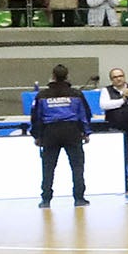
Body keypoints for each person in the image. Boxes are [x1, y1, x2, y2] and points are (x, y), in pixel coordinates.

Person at [29, 62, 90, 206]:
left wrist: (37, 135)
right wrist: (86, 132)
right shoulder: (76, 94)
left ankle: (46, 199)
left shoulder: (42, 95)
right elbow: (84, 114)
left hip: (50, 132)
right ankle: (79, 198)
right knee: (77, 166)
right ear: (67, 76)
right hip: (72, 131)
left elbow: (36, 116)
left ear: (53, 77)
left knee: (48, 167)